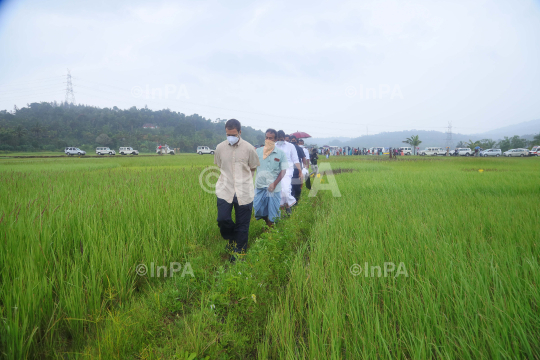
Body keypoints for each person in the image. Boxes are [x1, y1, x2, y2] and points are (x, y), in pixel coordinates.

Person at [214, 119, 260, 262]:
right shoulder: (220, 148)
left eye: (233, 134)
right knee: (223, 219)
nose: (230, 137)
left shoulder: (249, 148)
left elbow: (253, 167)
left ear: (240, 132)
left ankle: (239, 252)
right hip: (225, 189)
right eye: (228, 134)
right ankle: (232, 238)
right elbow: (219, 165)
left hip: (244, 191)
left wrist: (244, 179)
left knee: (242, 224)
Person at [253, 129, 288, 227]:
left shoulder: (281, 154)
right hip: (260, 186)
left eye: (271, 138)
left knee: (273, 212)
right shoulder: (258, 151)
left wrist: (274, 183)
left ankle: (270, 229)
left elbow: (283, 170)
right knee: (258, 209)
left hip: (274, 188)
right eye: (267, 138)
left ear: (275, 139)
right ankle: (267, 220)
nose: (268, 140)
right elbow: (251, 167)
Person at [275, 130, 301, 215]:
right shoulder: (274, 146)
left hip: (288, 169)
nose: (280, 140)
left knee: (286, 189)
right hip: (276, 170)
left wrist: (300, 170)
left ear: (284, 138)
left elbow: (295, 159)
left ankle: (289, 203)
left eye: (281, 139)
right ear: (276, 138)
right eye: (278, 139)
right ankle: (283, 208)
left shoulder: (290, 146)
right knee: (280, 189)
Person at [289, 135, 306, 203]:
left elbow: (303, 158)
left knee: (294, 185)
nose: (293, 142)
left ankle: (294, 200)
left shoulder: (298, 148)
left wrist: (303, 167)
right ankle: (294, 200)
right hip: (291, 169)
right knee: (294, 186)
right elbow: (303, 158)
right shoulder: (289, 148)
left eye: (294, 140)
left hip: (296, 169)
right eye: (292, 140)